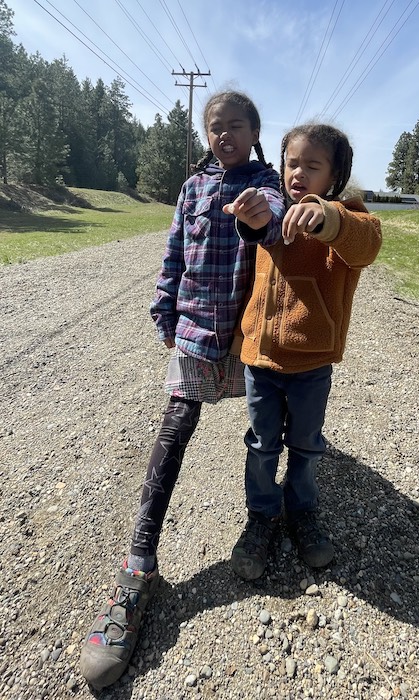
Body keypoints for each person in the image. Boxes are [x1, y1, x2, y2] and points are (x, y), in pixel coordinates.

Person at [79, 90, 285, 690]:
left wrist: (261, 216)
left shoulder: (268, 185)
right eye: (215, 128)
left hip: (250, 336)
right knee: (174, 430)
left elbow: (275, 224)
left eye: (236, 126)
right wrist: (163, 310)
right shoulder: (192, 190)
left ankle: (268, 517)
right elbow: (173, 253)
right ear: (207, 135)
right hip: (196, 330)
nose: (225, 136)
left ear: (254, 131)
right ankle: (139, 566)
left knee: (265, 432)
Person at [226, 123, 382, 581]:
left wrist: (326, 218)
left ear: (332, 177)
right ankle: (260, 516)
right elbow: (254, 243)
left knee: (307, 444)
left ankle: (303, 513)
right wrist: (250, 218)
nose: (299, 173)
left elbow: (367, 243)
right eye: (292, 163)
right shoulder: (271, 213)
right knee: (261, 443)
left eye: (312, 166)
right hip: (261, 359)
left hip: (312, 362)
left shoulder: (345, 216)